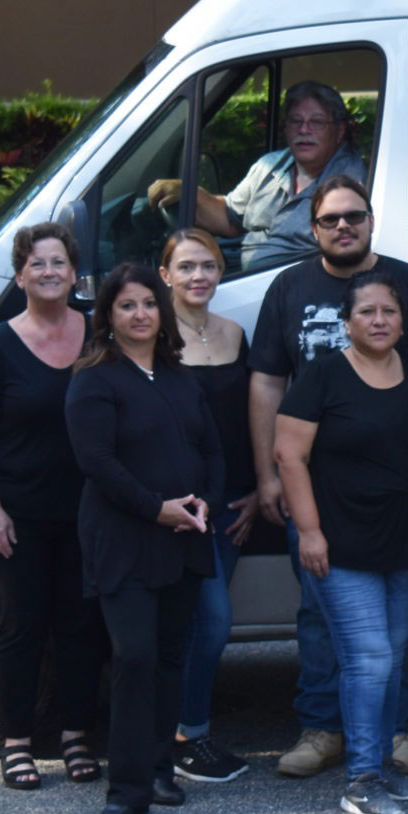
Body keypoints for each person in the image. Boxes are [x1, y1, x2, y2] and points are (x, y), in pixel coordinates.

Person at [248, 174, 408, 780]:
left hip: (396, 497)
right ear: (312, 228)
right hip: (317, 490)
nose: (344, 227)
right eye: (330, 219)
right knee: (318, 613)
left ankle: (393, 732)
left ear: (370, 221)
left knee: (391, 626)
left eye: (354, 217)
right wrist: (268, 475)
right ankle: (321, 729)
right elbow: (266, 381)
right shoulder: (288, 286)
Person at [276, 272, 408, 814]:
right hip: (339, 542)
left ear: (402, 320)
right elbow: (289, 456)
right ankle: (361, 778)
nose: (377, 320)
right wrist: (309, 531)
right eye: (366, 312)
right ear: (347, 321)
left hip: (403, 541)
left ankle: (381, 764)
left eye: (387, 312)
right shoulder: (322, 376)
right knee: (367, 659)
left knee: (391, 660)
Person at [64, 263, 224, 814]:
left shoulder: (182, 379)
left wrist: (204, 500)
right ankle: (126, 786)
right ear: (107, 316)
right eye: (127, 305)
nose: (140, 314)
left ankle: (159, 770)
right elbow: (96, 463)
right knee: (133, 655)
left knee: (170, 657)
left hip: (184, 535)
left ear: (163, 313)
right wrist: (155, 508)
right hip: (125, 539)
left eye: (149, 304)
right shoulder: (93, 379)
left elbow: (210, 451)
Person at [0, 223, 105, 790]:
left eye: (59, 263)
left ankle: (76, 737)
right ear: (20, 275)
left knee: (81, 629)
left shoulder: (99, 335)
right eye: (38, 264)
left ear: (75, 273)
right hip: (18, 515)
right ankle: (15, 740)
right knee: (19, 629)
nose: (50, 272)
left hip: (89, 513)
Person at [152, 230, 257, 785]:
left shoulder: (236, 334)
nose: (200, 277)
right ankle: (184, 736)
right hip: (178, 510)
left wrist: (260, 488)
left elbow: (251, 417)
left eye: (210, 267)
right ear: (164, 274)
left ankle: (177, 733)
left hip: (231, 504)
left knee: (200, 624)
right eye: (187, 267)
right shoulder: (151, 338)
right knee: (208, 621)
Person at [147, 80, 370, 271]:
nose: (304, 130)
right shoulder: (270, 165)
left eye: (317, 122)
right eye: (296, 121)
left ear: (339, 131)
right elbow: (230, 218)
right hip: (238, 275)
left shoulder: (351, 183)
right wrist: (190, 192)